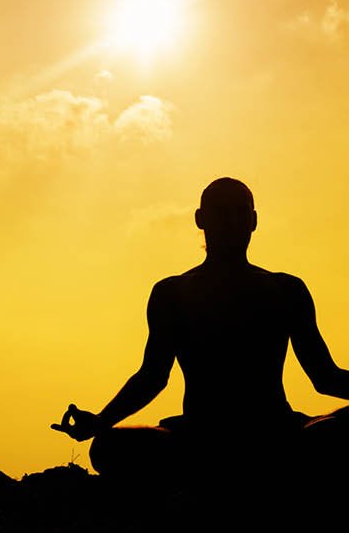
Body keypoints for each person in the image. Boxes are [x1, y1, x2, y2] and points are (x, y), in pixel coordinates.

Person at [52, 177, 349, 480]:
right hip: (197, 436)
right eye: (221, 212)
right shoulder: (172, 293)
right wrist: (101, 421)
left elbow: (325, 377)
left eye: (240, 211)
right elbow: (152, 376)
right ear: (200, 219)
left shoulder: (287, 290)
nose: (231, 221)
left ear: (254, 221)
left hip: (277, 431)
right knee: (107, 446)